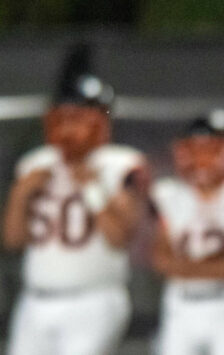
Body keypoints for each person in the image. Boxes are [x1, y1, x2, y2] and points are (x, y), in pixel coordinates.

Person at [2, 44, 151, 355]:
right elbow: (13, 240)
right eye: (63, 117)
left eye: (78, 117)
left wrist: (92, 189)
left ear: (100, 123)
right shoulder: (35, 164)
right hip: (35, 300)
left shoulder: (121, 165)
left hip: (94, 300)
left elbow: (120, 238)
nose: (69, 127)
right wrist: (20, 194)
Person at [151, 110, 224, 355]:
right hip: (180, 304)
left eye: (210, 149)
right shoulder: (168, 194)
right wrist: (211, 269)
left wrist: (186, 269)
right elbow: (161, 260)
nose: (203, 158)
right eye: (196, 149)